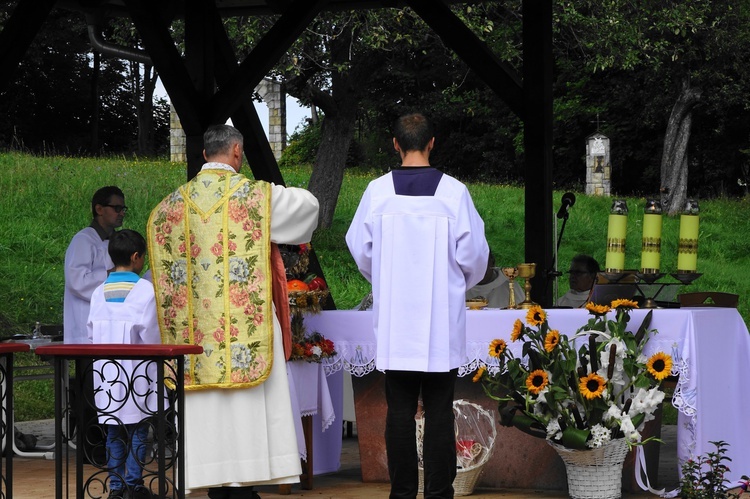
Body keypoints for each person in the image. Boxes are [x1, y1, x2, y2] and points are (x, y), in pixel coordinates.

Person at [147, 124, 319, 499]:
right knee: (247, 415)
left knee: (209, 420)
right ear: (237, 152)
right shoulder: (256, 197)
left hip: (195, 344)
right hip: (246, 337)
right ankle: (245, 486)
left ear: (205, 154)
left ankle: (217, 487)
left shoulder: (168, 208)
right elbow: (308, 209)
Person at [345, 113, 489, 499]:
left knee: (399, 410)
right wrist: (456, 284)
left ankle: (403, 494)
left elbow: (360, 249)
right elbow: (474, 256)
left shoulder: (377, 193)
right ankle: (440, 494)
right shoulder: (454, 193)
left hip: (395, 321)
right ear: (431, 143)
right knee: (441, 410)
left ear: (395, 144)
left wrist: (388, 279)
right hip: (440, 320)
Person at [86, 229, 159, 499]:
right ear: (136, 257)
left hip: (106, 374)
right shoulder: (144, 290)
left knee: (114, 430)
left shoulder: (98, 292)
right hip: (136, 373)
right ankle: (133, 484)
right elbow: (151, 336)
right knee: (139, 429)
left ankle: (116, 487)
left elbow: (91, 334)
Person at [64, 185, 127, 344]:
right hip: (85, 323)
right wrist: (113, 274)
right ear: (99, 209)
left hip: (110, 322)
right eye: (117, 208)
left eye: (123, 208)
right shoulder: (83, 240)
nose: (122, 213)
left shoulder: (117, 241)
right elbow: (77, 282)